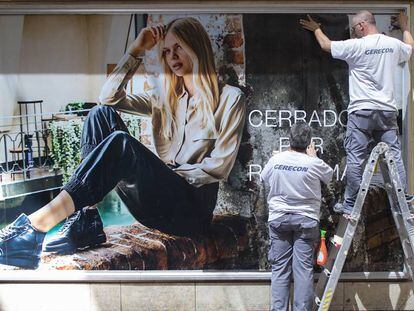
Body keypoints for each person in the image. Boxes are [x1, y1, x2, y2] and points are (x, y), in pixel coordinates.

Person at [0, 17, 246, 269]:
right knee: (100, 114)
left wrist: (166, 173)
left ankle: (36, 226)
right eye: (167, 51)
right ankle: (85, 220)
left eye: (179, 47)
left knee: (122, 143)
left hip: (190, 212)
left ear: (196, 46)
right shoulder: (166, 98)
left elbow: (220, 166)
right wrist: (135, 50)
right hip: (158, 203)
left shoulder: (229, 98)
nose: (172, 56)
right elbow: (108, 97)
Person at [300, 11, 414, 217]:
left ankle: (351, 204)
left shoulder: (357, 46)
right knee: (395, 156)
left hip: (361, 112)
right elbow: (410, 48)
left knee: (356, 158)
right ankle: (404, 196)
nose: (352, 32)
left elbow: (326, 45)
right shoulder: (392, 45)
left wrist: (316, 28)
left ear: (361, 25)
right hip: (386, 112)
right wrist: (406, 26)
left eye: (353, 28)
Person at [261, 122, 333, 311]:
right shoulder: (313, 163)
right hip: (306, 220)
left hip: (279, 219)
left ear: (289, 140)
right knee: (302, 271)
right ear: (309, 143)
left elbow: (263, 177)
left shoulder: (277, 160)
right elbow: (330, 176)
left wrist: (280, 159)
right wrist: (314, 157)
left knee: (280, 269)